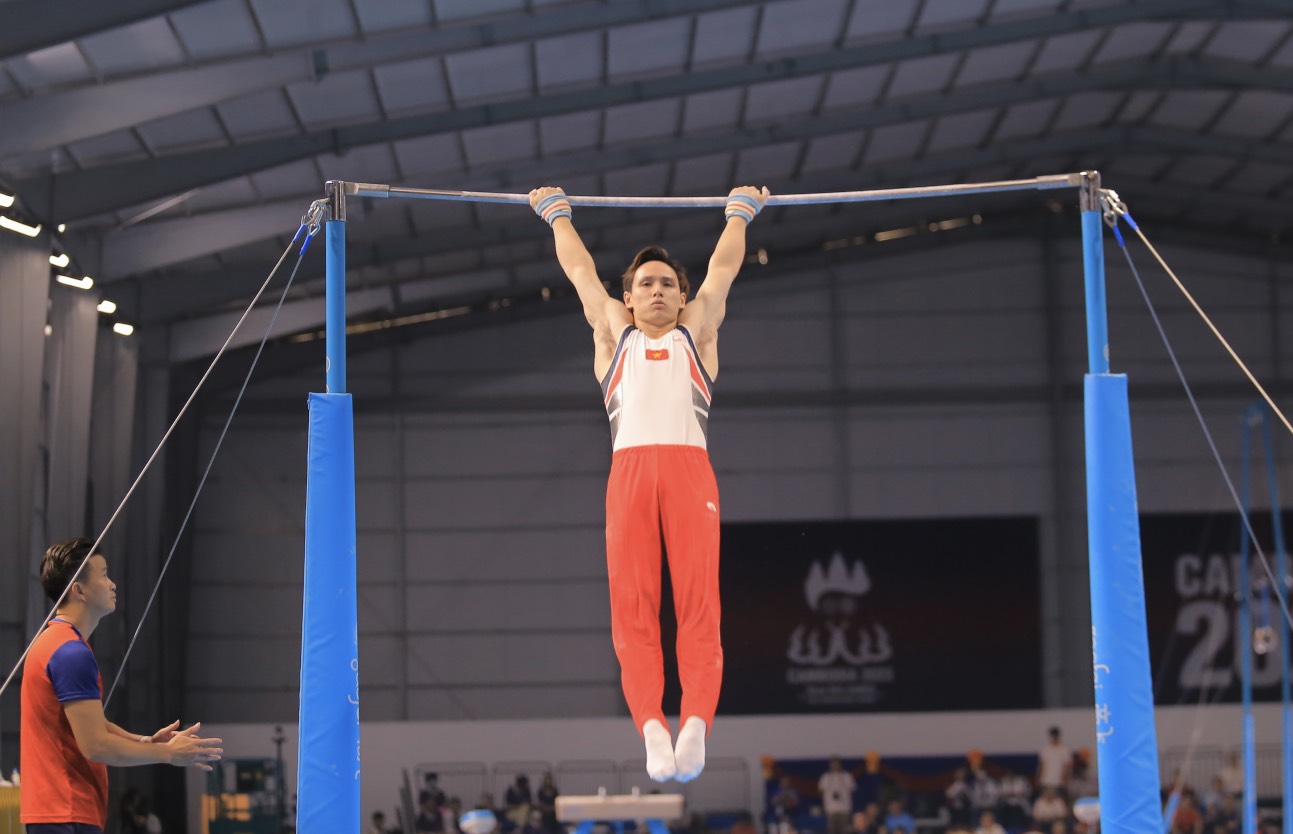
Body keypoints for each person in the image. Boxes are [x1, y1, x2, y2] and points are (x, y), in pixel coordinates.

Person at [529, 183, 769, 782]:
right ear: (628, 301)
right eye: (645, 285)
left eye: (667, 284)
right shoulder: (614, 334)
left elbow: (723, 267)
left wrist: (739, 215)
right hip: (630, 473)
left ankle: (694, 724)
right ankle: (652, 729)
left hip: (689, 472)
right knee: (633, 610)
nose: (657, 291)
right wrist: (557, 216)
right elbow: (582, 272)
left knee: (698, 607)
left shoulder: (698, 332)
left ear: (683, 298)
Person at [20, 538, 223, 834]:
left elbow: (95, 725)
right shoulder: (70, 652)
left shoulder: (56, 644)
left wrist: (146, 742)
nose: (112, 584)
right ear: (79, 590)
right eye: (103, 575)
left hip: (58, 812)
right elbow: (96, 745)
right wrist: (169, 755)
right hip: (66, 811)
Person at [817, 757, 856, 834]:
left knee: (845, 830)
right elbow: (821, 791)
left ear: (840, 765)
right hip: (831, 808)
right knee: (831, 830)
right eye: (833, 764)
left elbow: (852, 790)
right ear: (830, 765)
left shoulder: (847, 776)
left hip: (844, 808)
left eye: (837, 764)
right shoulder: (826, 777)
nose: (835, 766)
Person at [1036, 727, 1072, 797]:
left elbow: (1068, 766)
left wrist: (1066, 780)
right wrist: (1038, 779)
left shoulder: (1064, 749)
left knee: (1059, 803)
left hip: (1059, 782)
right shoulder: (1046, 749)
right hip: (1046, 781)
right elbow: (1042, 765)